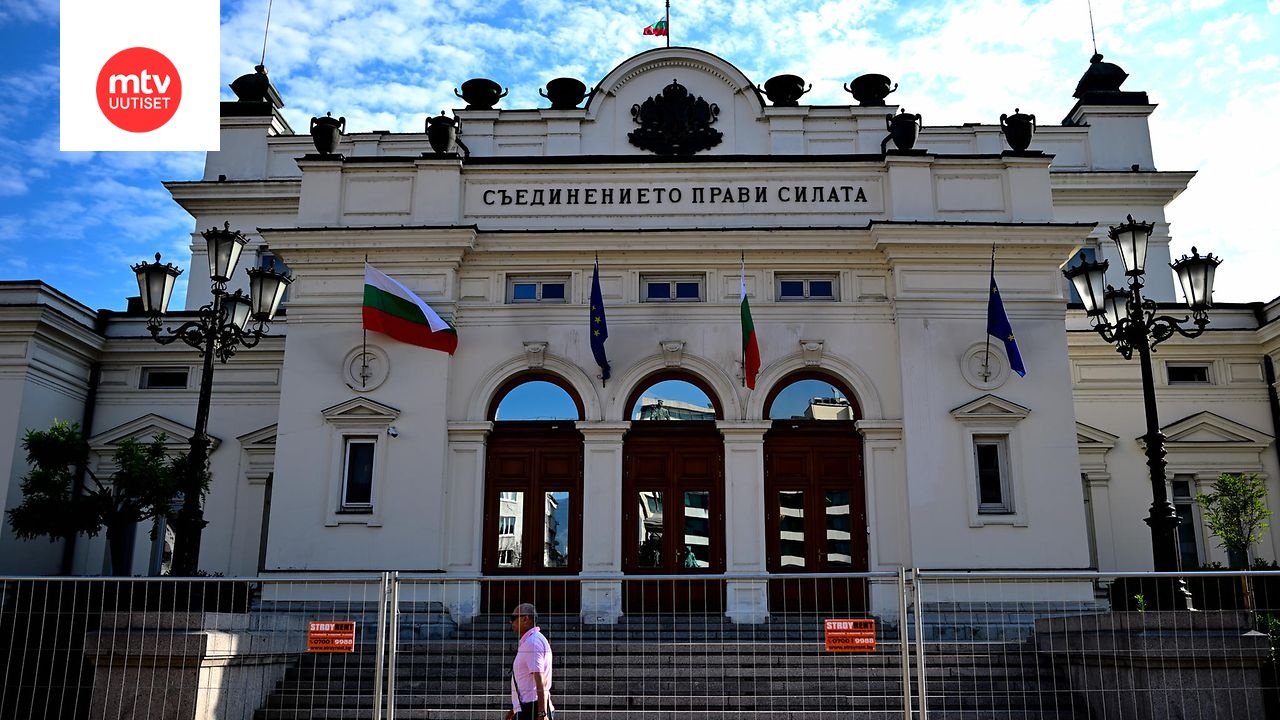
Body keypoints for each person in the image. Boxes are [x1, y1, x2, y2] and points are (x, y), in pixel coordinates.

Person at [506, 602, 554, 720]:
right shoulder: (532, 641)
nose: (510, 622)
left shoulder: (532, 643)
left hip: (532, 709)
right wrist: (515, 708)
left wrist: (542, 713)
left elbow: (539, 677)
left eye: (513, 618)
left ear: (525, 618)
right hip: (528, 707)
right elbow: (527, 682)